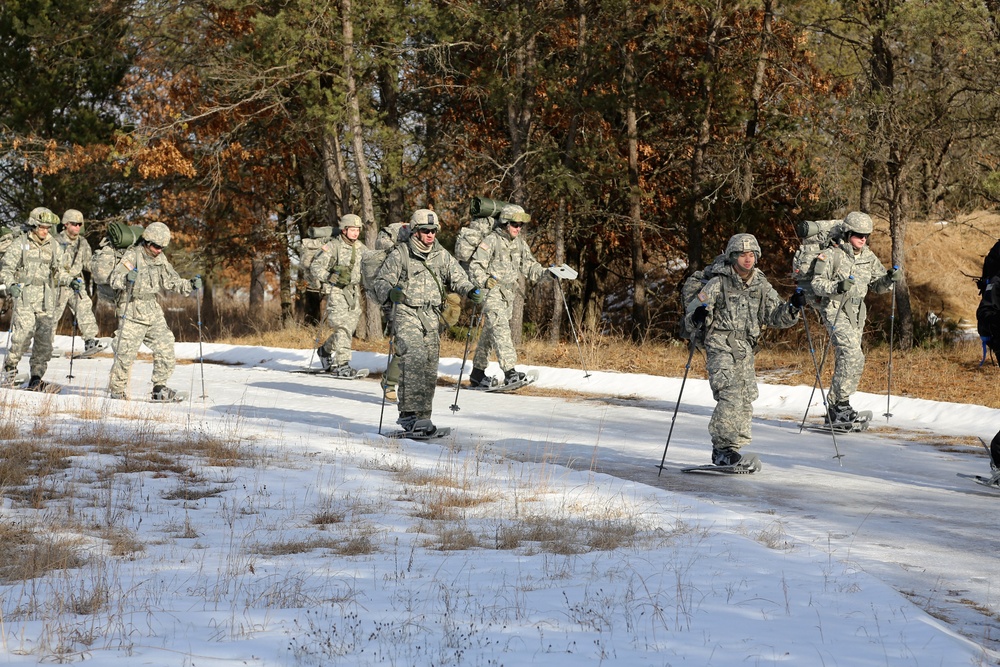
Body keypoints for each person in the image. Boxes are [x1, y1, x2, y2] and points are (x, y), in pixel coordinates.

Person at [684, 233, 802, 469]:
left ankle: (733, 449)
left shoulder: (760, 283)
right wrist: (697, 316)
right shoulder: (718, 282)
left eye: (751, 255)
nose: (747, 260)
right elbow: (694, 314)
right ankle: (722, 449)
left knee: (746, 397)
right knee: (730, 393)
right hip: (720, 344)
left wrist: (793, 307)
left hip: (745, 348)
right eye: (742, 255)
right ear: (732, 257)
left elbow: (774, 315)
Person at [373, 209, 484, 434]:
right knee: (412, 358)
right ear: (415, 232)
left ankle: (423, 417)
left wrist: (471, 289)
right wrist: (390, 292)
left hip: (431, 317)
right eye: (425, 230)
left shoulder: (441, 255)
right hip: (406, 313)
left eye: (433, 231)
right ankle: (409, 415)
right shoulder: (401, 254)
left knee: (429, 365)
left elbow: (457, 276)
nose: (430, 235)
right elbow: (381, 282)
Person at [810, 212, 902, 425]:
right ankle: (837, 406)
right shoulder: (832, 255)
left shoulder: (868, 256)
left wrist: (889, 279)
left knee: (856, 357)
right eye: (858, 235)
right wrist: (837, 286)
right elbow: (817, 283)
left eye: (866, 235)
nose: (863, 239)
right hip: (834, 308)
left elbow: (877, 286)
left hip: (856, 312)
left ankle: (841, 403)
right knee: (850, 352)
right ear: (848, 233)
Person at [106, 221, 200, 401]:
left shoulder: (160, 259)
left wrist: (189, 285)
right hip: (132, 310)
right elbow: (114, 280)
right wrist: (127, 278)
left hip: (152, 310)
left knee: (166, 346)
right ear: (147, 242)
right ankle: (117, 391)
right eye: (156, 246)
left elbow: (172, 281)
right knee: (124, 353)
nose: (159, 250)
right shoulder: (132, 256)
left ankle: (159, 388)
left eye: (163, 247)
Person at [467, 203, 549, 387]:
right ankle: (510, 371)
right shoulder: (491, 240)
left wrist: (548, 273)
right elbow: (475, 266)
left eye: (521, 225)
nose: (518, 228)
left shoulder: (519, 243)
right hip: (491, 293)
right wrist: (485, 281)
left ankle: (477, 373)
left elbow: (530, 266)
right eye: (514, 224)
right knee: (501, 329)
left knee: (490, 332)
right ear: (505, 223)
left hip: (508, 295)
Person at [0, 207, 68, 390]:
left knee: (44, 341)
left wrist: (72, 280)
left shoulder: (53, 245)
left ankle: (36, 378)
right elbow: (6, 269)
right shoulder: (20, 243)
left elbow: (60, 271)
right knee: (22, 336)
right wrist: (10, 284)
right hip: (25, 297)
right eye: (41, 227)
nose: (45, 231)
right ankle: (10, 370)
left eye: (48, 227)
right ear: (33, 225)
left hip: (47, 298)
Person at [311, 214, 368, 377]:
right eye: (352, 230)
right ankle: (343, 364)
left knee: (347, 330)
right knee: (342, 327)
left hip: (353, 293)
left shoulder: (360, 247)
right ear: (344, 230)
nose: (356, 233)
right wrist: (328, 276)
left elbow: (371, 261)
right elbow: (315, 266)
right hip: (336, 292)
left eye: (358, 230)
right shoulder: (333, 246)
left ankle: (325, 350)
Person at [53, 209, 103, 354]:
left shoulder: (83, 242)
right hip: (59, 285)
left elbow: (87, 263)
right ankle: (45, 345)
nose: (78, 227)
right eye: (74, 224)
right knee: (52, 316)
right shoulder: (55, 241)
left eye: (80, 224)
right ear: (66, 224)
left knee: (84, 309)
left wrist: (100, 268)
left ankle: (90, 341)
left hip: (76, 284)